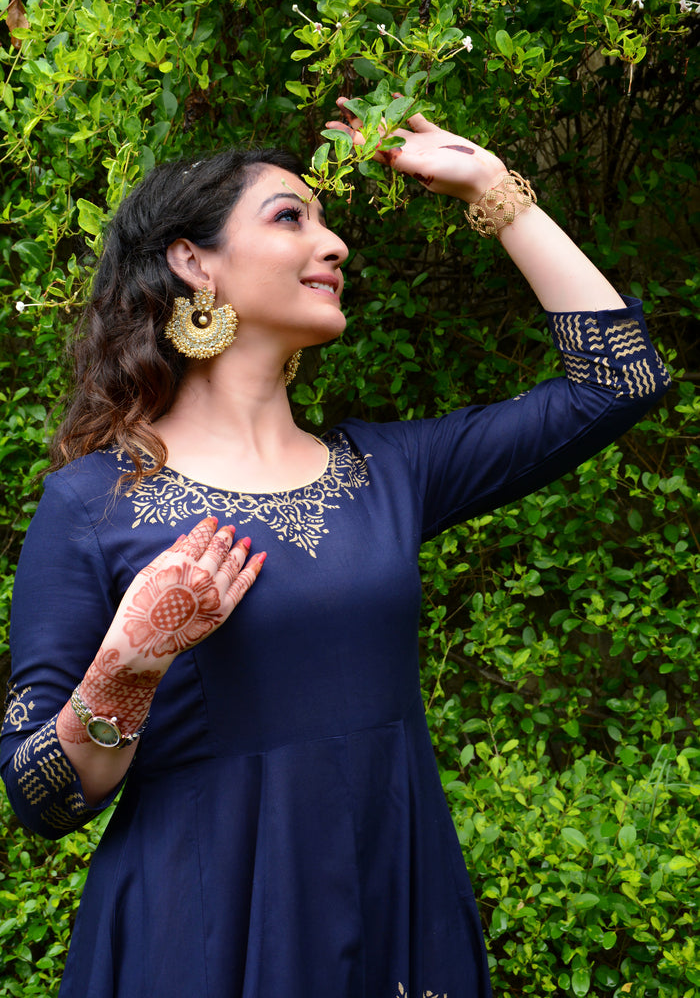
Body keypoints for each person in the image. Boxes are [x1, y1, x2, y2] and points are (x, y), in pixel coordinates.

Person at [0, 104, 670, 998]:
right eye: (291, 217)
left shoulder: (388, 472)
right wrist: (129, 663)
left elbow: (621, 379)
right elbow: (40, 797)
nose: (335, 245)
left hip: (398, 909)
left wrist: (490, 186)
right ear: (193, 261)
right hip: (202, 931)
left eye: (326, 221)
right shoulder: (92, 505)